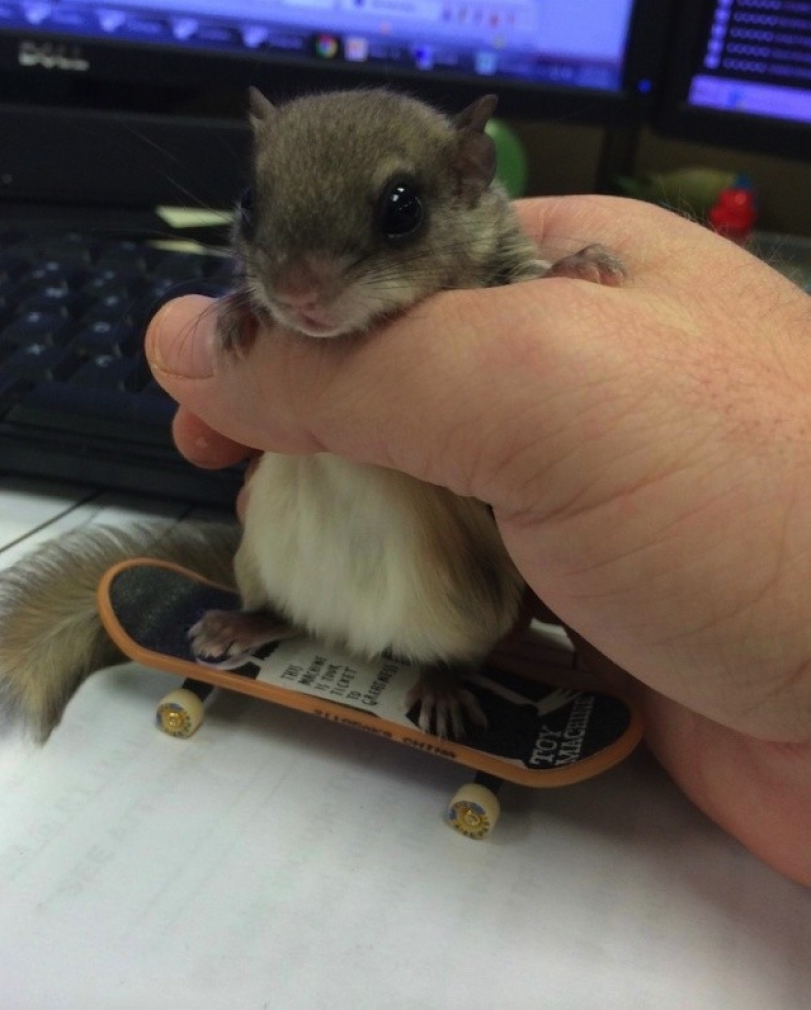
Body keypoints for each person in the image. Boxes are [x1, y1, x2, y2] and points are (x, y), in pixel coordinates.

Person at [146, 195, 811, 886]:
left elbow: (508, 290)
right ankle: (270, 609)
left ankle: (447, 665)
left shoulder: (472, 265)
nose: (303, 290)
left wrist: (558, 285)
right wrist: (240, 311)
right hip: (312, 506)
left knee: (445, 577)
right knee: (277, 507)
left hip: (425, 541)